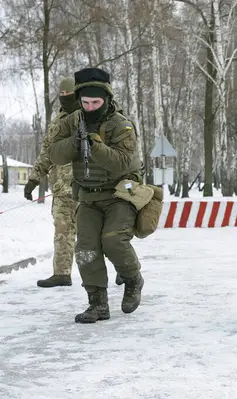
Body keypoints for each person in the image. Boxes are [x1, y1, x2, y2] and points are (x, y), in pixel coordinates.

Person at [47, 67, 144, 324]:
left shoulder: (120, 125)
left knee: (113, 241)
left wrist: (95, 146)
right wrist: (75, 143)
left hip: (119, 194)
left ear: (107, 99)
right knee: (86, 249)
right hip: (87, 196)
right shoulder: (71, 121)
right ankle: (98, 304)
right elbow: (54, 154)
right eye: (85, 102)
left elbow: (124, 163)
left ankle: (133, 279)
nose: (89, 107)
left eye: (96, 102)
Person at [25, 76, 79, 288]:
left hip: (87, 188)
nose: (65, 98)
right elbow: (47, 151)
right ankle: (62, 274)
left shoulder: (87, 117)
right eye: (62, 95)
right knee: (62, 230)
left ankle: (124, 270)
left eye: (69, 94)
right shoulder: (57, 122)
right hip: (62, 189)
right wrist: (34, 178)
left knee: (96, 235)